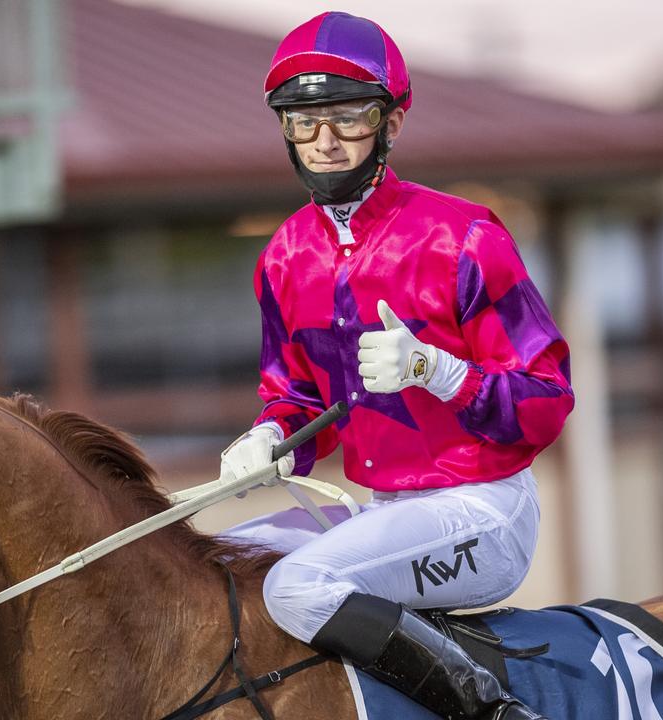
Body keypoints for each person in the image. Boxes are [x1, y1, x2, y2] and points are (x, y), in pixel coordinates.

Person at [219, 11, 574, 720]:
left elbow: (547, 399)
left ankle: (493, 711)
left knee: (294, 587)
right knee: (212, 564)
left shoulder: (466, 237)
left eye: (347, 116)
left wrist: (442, 374)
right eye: (301, 119)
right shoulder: (285, 256)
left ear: (392, 123)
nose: (323, 140)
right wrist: (270, 442)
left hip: (481, 510)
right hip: (378, 511)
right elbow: (295, 401)